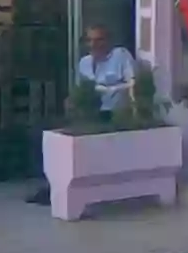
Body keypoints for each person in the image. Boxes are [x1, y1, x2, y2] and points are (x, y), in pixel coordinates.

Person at [27, 25, 136, 206]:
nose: (94, 45)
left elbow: (133, 84)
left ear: (109, 41)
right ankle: (51, 184)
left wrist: (113, 94)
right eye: (90, 40)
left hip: (112, 114)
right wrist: (72, 101)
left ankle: (67, 189)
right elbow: (80, 91)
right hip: (88, 113)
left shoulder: (120, 56)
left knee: (71, 138)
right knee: (41, 131)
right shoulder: (84, 63)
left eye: (99, 40)